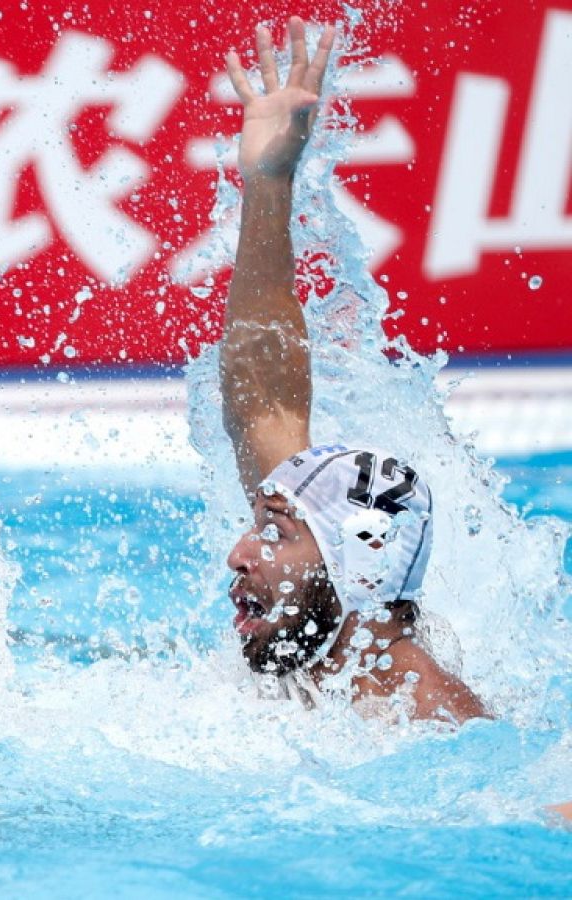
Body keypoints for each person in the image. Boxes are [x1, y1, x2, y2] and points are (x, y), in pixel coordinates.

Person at [217, 18, 487, 723]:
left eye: (274, 532)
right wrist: (268, 185)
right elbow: (260, 394)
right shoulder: (320, 638)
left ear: (361, 561)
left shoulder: (437, 722)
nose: (238, 554)